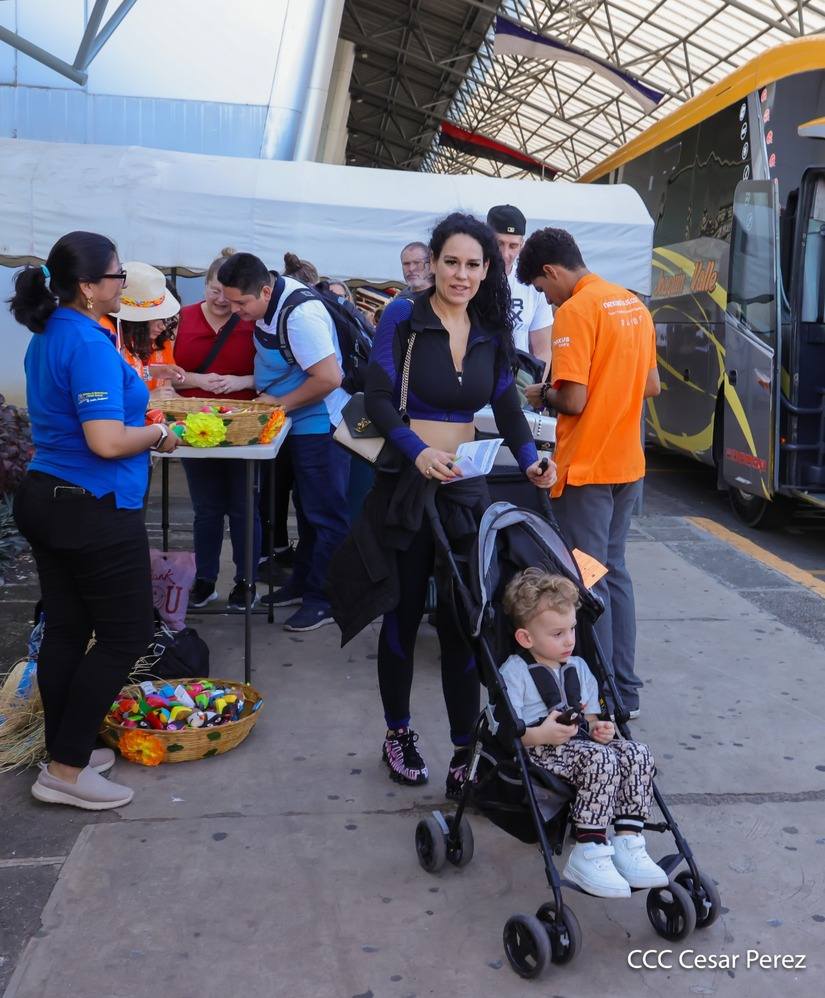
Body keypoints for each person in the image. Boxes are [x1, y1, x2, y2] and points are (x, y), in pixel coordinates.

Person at [355, 212, 556, 794]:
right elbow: (378, 396)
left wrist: (530, 460)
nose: (461, 275)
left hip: (465, 487)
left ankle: (465, 748)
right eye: (451, 262)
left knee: (466, 619)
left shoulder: (492, 326)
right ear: (434, 263)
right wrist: (417, 451)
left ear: (488, 269)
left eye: (473, 264)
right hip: (408, 481)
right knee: (401, 613)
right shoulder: (404, 316)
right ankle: (398, 733)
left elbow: (507, 404)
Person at [9, 231, 179, 811]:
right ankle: (65, 769)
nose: (122, 283)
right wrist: (159, 434)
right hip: (90, 506)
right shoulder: (85, 342)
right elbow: (105, 441)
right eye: (116, 274)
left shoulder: (53, 331)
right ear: (87, 286)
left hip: (50, 497)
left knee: (66, 629)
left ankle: (66, 751)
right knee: (127, 634)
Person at [517, 228, 661, 718]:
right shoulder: (632, 305)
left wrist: (543, 394)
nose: (546, 299)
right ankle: (626, 689)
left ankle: (603, 691)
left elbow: (574, 399)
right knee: (613, 574)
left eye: (542, 288)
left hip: (587, 472)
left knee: (588, 581)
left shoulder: (576, 311)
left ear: (552, 271)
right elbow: (652, 386)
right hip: (627, 466)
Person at [500, 569, 668, 898]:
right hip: (539, 750)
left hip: (581, 747)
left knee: (637, 753)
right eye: (558, 633)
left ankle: (628, 841)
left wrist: (598, 728)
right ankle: (589, 848)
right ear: (526, 638)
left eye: (572, 629)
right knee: (601, 761)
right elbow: (508, 732)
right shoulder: (515, 673)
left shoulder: (579, 668)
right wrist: (541, 735)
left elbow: (589, 719)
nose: (569, 641)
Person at [217, 252, 351, 632]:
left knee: (325, 514)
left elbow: (329, 378)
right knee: (305, 512)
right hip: (294, 422)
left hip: (320, 423)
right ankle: (303, 583)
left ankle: (324, 599)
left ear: (265, 290)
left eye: (241, 303)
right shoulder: (269, 302)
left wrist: (278, 404)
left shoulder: (300, 316)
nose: (236, 311)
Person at [172, 248, 260, 611]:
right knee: (206, 507)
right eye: (214, 291)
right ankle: (205, 579)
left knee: (243, 506)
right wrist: (197, 379)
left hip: (243, 425)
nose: (222, 300)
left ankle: (246, 581)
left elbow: (273, 371)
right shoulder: (183, 318)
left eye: (228, 294)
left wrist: (241, 381)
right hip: (194, 426)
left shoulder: (250, 318)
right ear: (205, 286)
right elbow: (166, 369)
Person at [486, 204, 553, 365]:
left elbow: (542, 350)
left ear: (522, 245)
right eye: (499, 243)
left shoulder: (533, 285)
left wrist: (534, 380)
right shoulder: (470, 280)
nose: (505, 254)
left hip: (518, 376)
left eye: (513, 246)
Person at [116, 262, 185, 397]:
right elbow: (109, 392)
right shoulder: (112, 336)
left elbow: (134, 375)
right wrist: (149, 397)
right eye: (156, 317)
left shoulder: (159, 339)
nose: (163, 326)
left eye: (167, 319)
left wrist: (152, 372)